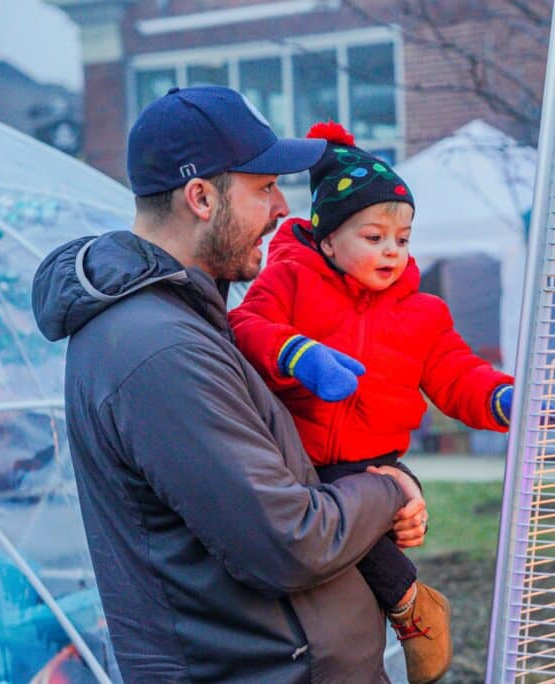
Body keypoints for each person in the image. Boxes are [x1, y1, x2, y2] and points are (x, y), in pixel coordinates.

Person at [31, 86, 429, 683]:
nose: (282, 208)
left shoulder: (180, 321)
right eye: (264, 187)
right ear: (200, 197)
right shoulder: (158, 350)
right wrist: (388, 490)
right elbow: (289, 542)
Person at [228, 121, 515, 684]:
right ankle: (411, 606)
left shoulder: (422, 313)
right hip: (301, 461)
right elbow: (244, 327)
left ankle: (406, 612)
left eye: (402, 240)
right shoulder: (289, 279)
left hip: (375, 460)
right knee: (336, 557)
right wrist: (298, 354)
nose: (391, 250)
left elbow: (457, 373)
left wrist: (502, 398)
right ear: (329, 239)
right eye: (374, 236)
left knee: (371, 540)